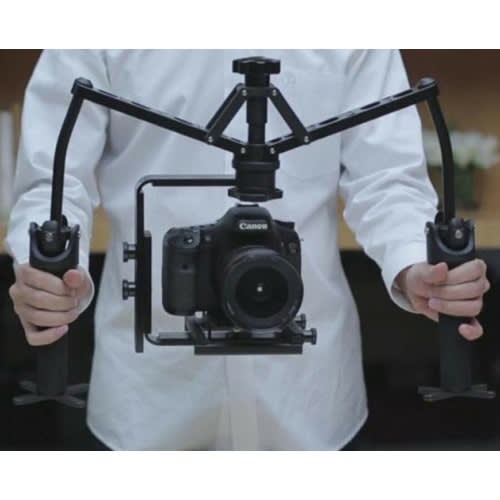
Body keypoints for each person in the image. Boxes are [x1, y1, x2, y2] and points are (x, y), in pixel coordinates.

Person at [5, 50, 490, 450]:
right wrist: (50, 271)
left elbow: (387, 179)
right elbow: (55, 178)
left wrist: (415, 262)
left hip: (310, 399)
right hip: (148, 397)